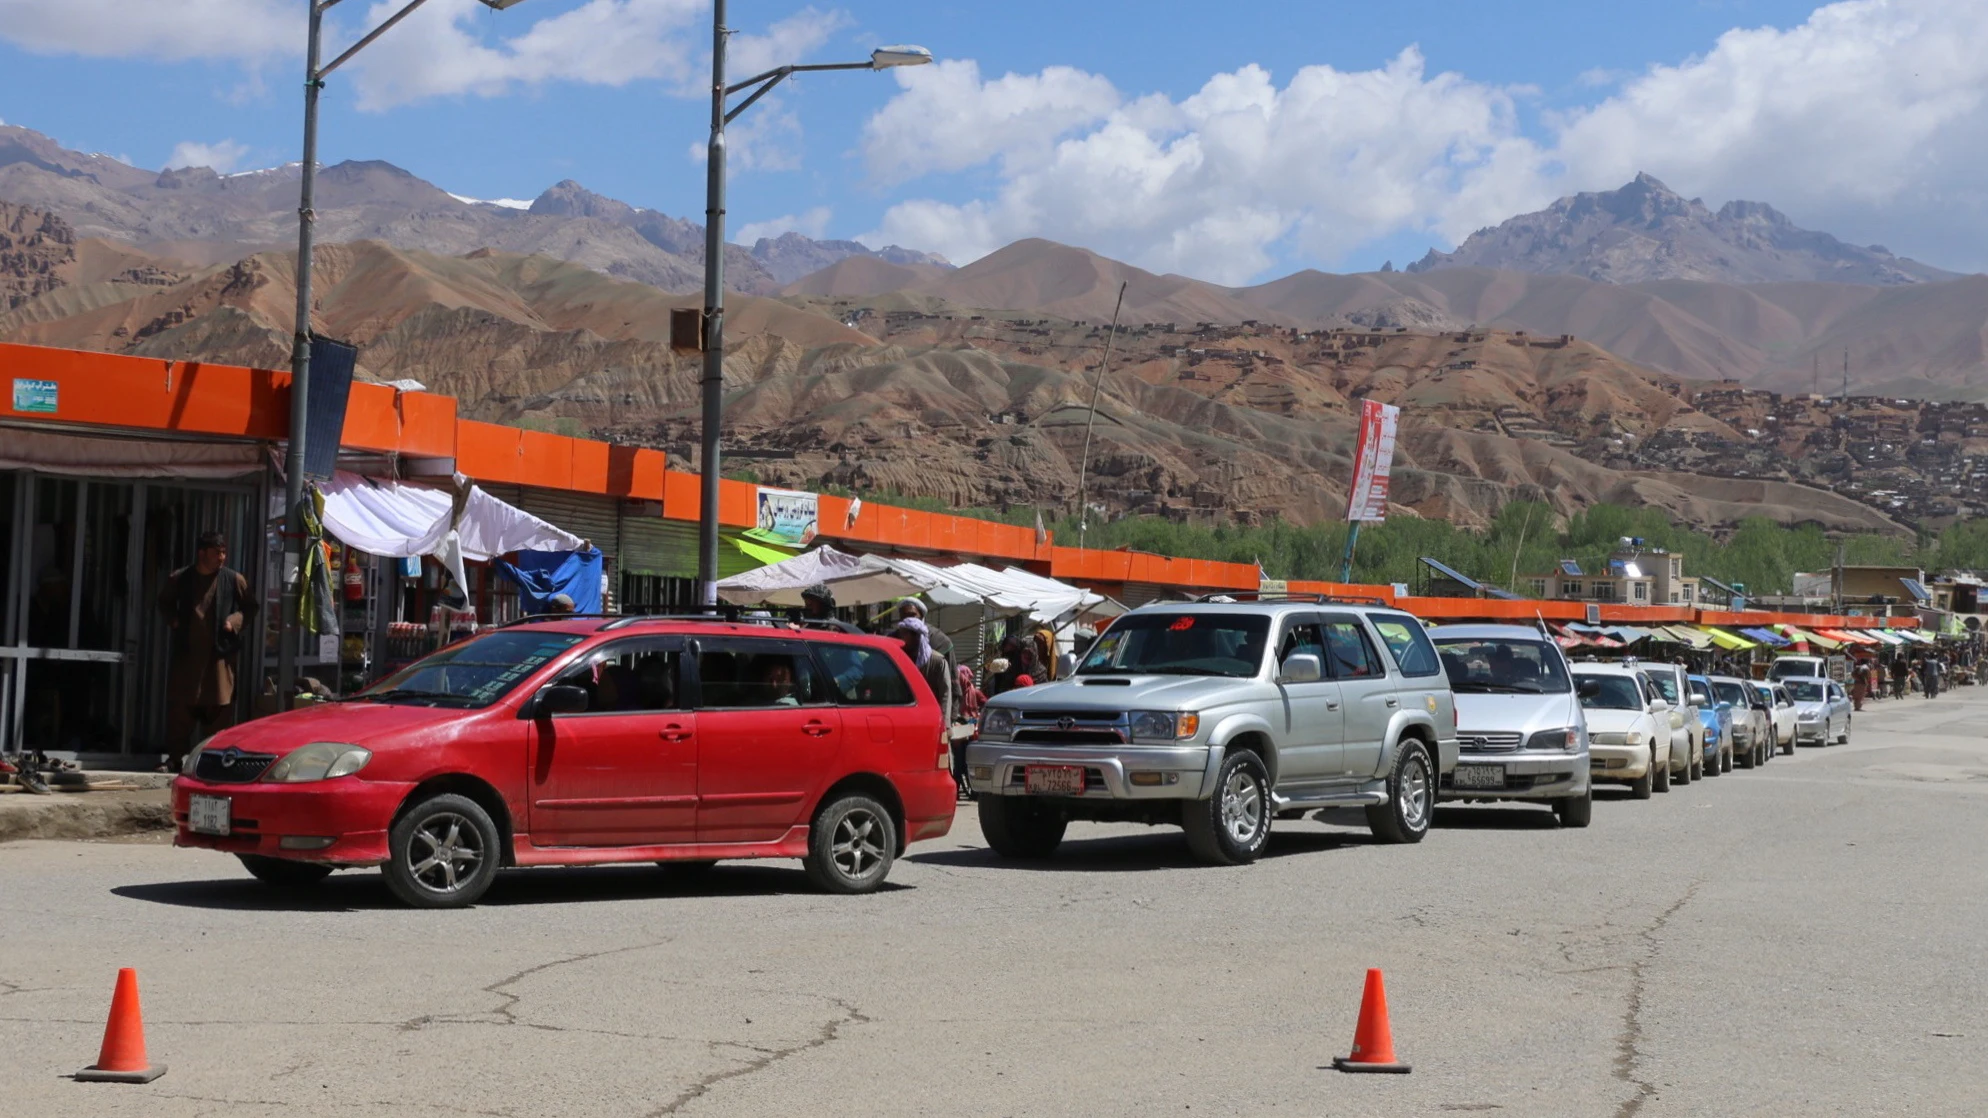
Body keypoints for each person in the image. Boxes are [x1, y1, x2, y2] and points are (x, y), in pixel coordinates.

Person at [155, 531, 258, 769]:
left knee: (219, 707)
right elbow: (164, 602)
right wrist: (174, 621)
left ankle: (212, 760)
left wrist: (234, 621)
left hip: (220, 658)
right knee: (181, 708)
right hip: (188, 656)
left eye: (224, 552)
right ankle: (175, 758)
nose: (221, 558)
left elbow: (251, 607)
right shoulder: (180, 578)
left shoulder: (233, 579)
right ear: (202, 553)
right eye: (216, 553)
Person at [893, 617, 952, 733]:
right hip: (906, 721)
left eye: (905, 634)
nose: (901, 638)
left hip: (931, 721)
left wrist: (945, 725)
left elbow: (945, 694)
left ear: (916, 636)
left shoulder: (937, 661)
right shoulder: (900, 659)